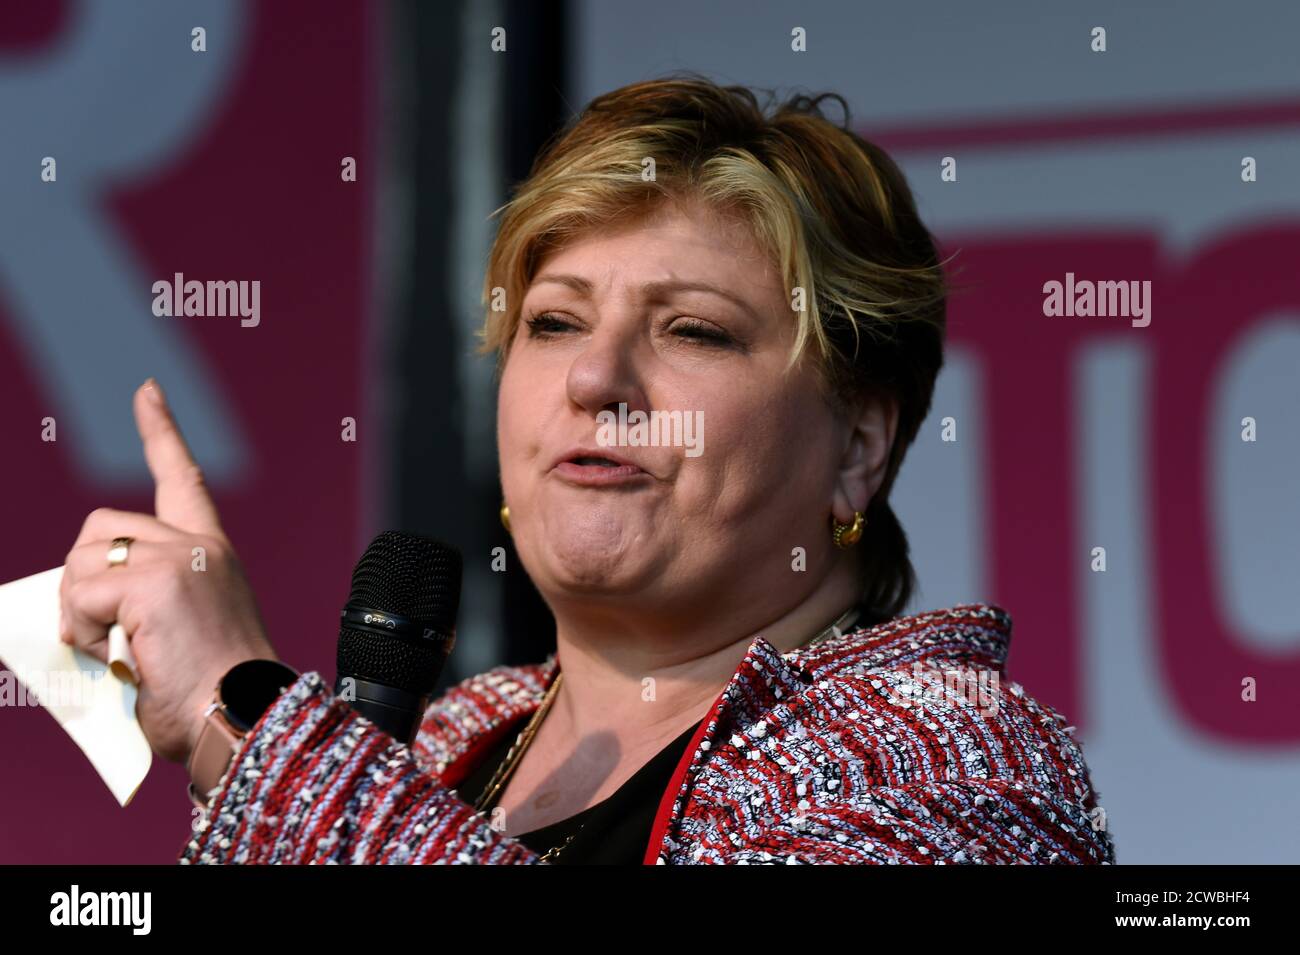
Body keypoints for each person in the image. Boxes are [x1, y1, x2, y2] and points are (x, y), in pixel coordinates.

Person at [59, 74, 1114, 864]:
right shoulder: (457, 735)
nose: (595, 377)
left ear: (858, 444)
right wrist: (233, 746)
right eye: (555, 320)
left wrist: (243, 718)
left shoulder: (953, 761)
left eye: (693, 331)